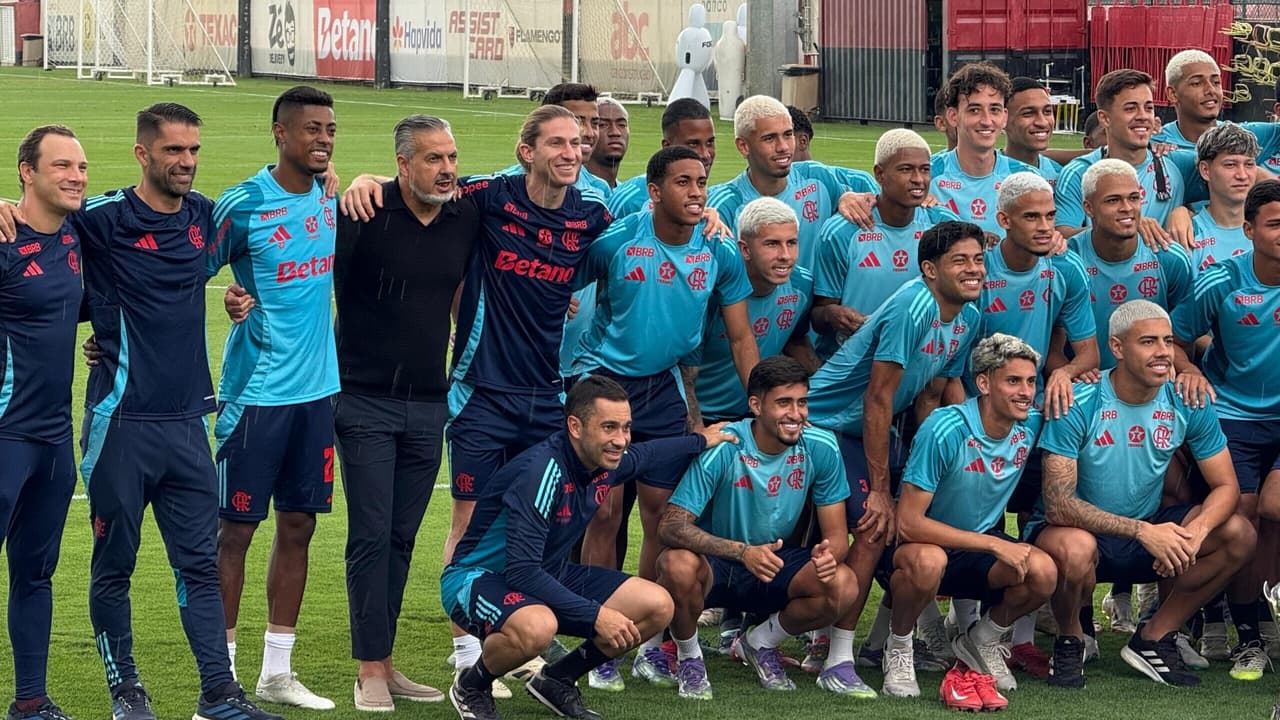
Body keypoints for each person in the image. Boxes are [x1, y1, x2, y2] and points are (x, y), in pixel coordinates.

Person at [339, 103, 614, 694]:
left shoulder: (592, 216)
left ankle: (516, 631)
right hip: (478, 390)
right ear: (527, 151)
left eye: (578, 144)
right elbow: (418, 190)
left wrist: (715, 225)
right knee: (467, 518)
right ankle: (467, 647)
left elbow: (640, 231)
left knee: (539, 517)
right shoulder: (484, 197)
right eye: (559, 143)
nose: (572, 153)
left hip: (546, 393)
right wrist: (367, 181)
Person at [75, 103, 281, 720]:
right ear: (143, 154)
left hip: (189, 425)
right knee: (116, 564)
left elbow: (260, 236)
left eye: (193, 150)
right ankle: (127, 692)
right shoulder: (104, 217)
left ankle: (220, 694)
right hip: (119, 424)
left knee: (199, 562)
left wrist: (238, 297)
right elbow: (39, 237)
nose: (186, 162)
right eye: (173, 151)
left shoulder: (204, 217)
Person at [568, 146, 759, 688]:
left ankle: (650, 639)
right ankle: (600, 636)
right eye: (683, 182)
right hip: (604, 382)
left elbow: (741, 334)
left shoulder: (719, 250)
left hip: (665, 389)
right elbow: (560, 280)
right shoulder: (617, 242)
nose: (698, 191)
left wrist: (759, 404)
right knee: (604, 513)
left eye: (702, 181)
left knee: (662, 518)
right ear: (655, 192)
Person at [441, 375, 737, 720]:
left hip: (547, 573)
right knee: (538, 626)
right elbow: (521, 570)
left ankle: (557, 680)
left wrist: (700, 440)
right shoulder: (542, 472)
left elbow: (646, 454)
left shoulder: (600, 463)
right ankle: (472, 685)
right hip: (480, 579)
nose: (621, 440)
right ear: (575, 426)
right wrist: (597, 615)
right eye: (609, 427)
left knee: (657, 606)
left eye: (626, 428)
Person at [1029, 300, 1255, 688]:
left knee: (1239, 534)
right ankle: (1071, 638)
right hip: (1079, 533)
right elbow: (1058, 504)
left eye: (1168, 341)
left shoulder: (1186, 399)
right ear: (1117, 348)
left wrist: (1194, 534)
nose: (1164, 352)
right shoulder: (1079, 400)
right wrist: (1141, 531)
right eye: (1148, 342)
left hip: (1146, 532)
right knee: (1076, 548)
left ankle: (1153, 637)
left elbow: (1226, 486)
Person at [329, 115, 476, 708]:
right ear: (403, 164)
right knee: (369, 532)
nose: (447, 170)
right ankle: (368, 670)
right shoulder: (363, 211)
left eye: (452, 157)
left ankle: (385, 662)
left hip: (429, 403)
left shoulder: (467, 213)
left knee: (401, 536)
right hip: (361, 398)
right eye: (434, 159)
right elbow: (305, 270)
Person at [805, 220, 987, 698]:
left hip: (875, 427)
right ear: (930, 269)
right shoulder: (914, 304)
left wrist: (935, 457)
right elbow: (877, 399)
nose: (973, 270)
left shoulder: (968, 315)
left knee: (916, 517)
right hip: (827, 426)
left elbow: (929, 393)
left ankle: (877, 642)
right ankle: (837, 658)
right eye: (960, 261)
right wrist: (882, 490)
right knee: (873, 524)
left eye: (978, 260)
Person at [205, 86, 340, 711]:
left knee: (299, 525)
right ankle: (222, 674)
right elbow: (184, 271)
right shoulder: (243, 205)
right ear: (280, 134)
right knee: (234, 532)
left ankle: (276, 672)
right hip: (254, 395)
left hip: (317, 397)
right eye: (311, 129)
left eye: (330, 130)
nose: (323, 139)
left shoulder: (332, 196)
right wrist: (230, 298)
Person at [655, 357, 857, 697]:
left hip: (772, 561)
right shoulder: (725, 446)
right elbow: (671, 526)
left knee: (843, 584)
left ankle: (760, 642)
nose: (796, 414)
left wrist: (828, 554)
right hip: (717, 562)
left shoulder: (821, 446)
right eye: (783, 403)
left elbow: (837, 536)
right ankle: (690, 658)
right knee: (676, 564)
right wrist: (741, 552)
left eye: (802, 402)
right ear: (756, 405)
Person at [884, 334, 1053, 708]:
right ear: (983, 383)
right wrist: (994, 543)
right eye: (1013, 381)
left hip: (974, 546)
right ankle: (898, 645)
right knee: (930, 562)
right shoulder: (946, 427)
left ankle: (982, 638)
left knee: (1043, 571)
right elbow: (908, 522)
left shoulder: (1028, 426)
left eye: (1030, 381)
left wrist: (1074, 375)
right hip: (918, 546)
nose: (1026, 392)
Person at [1172, 179, 1280, 681]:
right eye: (1276, 224)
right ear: (1250, 228)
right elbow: (1172, 338)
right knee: (1243, 513)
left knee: (1275, 508)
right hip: (1233, 414)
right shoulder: (1221, 279)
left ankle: (1261, 613)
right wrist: (1189, 369)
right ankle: (1247, 635)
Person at [0, 125, 86, 720]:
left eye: (81, 166)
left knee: (36, 573)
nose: (77, 176)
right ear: (27, 172)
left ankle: (30, 700)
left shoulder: (84, 233)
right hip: (4, 436)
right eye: (61, 166)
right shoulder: (3, 241)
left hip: (55, 441)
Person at [812, 129, 958, 360]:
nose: (918, 179)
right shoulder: (841, 232)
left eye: (924, 170)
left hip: (915, 362)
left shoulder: (943, 226)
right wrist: (832, 314)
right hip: (851, 365)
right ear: (879, 174)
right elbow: (818, 315)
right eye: (906, 169)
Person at [685, 197, 818, 426]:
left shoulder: (802, 284)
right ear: (744, 249)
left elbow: (796, 341)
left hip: (757, 413)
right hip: (704, 417)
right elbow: (686, 372)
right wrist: (698, 431)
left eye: (792, 242)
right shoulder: (712, 293)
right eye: (772, 244)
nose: (785, 255)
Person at [707, 94, 878, 270]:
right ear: (743, 146)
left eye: (788, 135)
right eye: (769, 138)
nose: (783, 147)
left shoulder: (818, 177)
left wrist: (845, 197)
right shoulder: (725, 206)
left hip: (820, 297)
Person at [1065, 159, 1193, 370]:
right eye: (1113, 200)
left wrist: (1184, 372)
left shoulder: (1170, 258)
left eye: (1134, 198)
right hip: (1086, 382)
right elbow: (1053, 343)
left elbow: (1183, 336)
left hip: (1152, 385)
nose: (1127, 208)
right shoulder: (1068, 260)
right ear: (1088, 207)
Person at [1055, 69, 1187, 237]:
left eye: (1149, 108)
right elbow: (1062, 236)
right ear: (1104, 118)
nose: (1143, 116)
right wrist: (1124, 229)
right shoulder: (1079, 173)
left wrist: (1185, 212)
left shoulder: (1177, 164)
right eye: (1131, 108)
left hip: (1163, 263)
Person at [930, 62, 1037, 237]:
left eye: (994, 110)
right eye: (974, 110)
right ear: (953, 116)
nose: (986, 120)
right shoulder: (926, 176)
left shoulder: (1027, 179)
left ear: (1004, 117)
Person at [608, 99, 717, 219]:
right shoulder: (628, 199)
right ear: (667, 147)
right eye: (693, 144)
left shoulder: (716, 199)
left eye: (710, 143)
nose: (705, 154)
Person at [1188, 122, 1258, 272]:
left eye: (1249, 164)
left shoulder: (1271, 229)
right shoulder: (1187, 234)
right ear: (1205, 170)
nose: (1242, 175)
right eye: (1230, 165)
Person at [586, 97, 629, 188]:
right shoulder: (573, 193)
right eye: (603, 125)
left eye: (622, 125)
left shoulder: (627, 195)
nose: (615, 132)